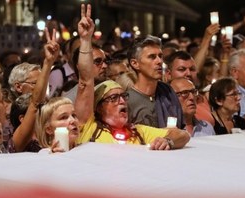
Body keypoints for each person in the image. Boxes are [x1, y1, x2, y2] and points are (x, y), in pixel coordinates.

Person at [75, 4, 190, 150]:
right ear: (97, 108)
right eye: (113, 98)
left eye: (123, 96)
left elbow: (183, 135)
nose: (122, 101)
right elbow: (85, 81)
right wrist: (85, 40)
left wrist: (168, 142)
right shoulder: (89, 128)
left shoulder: (138, 131)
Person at [8, 28, 61, 153]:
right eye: (35, 84)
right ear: (18, 87)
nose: (41, 88)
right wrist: (48, 63)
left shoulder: (47, 108)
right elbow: (35, 103)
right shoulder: (14, 113)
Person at [126, 36, 184, 129]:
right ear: (135, 64)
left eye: (160, 56)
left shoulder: (168, 92)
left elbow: (181, 128)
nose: (159, 61)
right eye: (152, 57)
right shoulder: (127, 100)